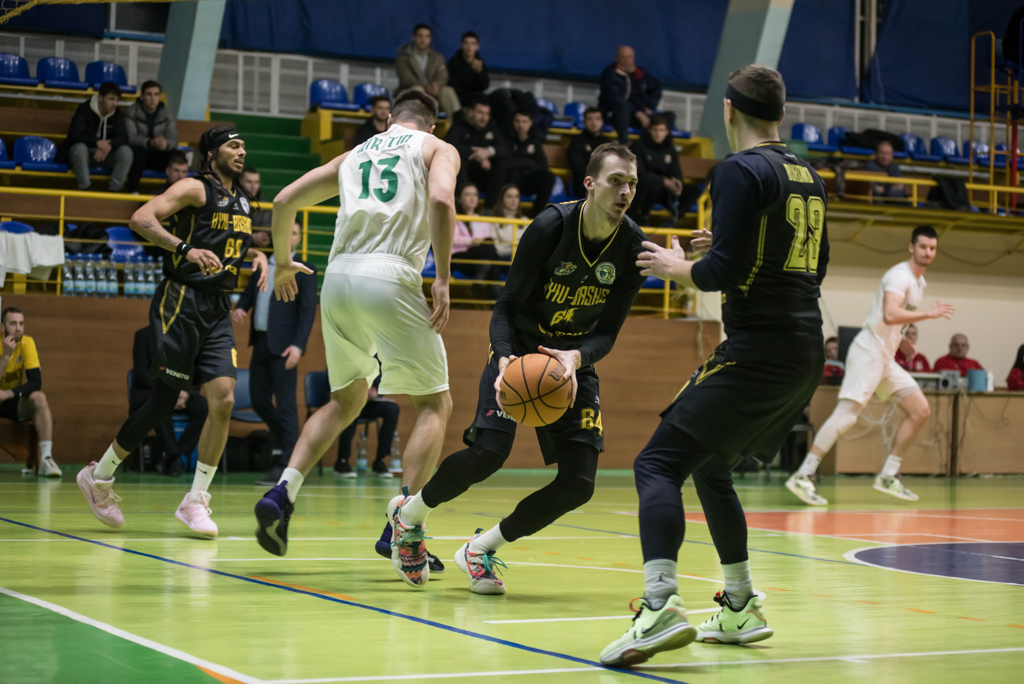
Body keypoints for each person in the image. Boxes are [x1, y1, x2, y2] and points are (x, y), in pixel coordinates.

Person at [600, 65, 828, 666]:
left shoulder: (737, 169)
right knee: (711, 467)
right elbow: (810, 264)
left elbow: (721, 274)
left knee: (656, 464)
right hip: (805, 350)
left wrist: (675, 266)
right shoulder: (807, 174)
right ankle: (740, 606)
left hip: (758, 349)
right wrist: (723, 246)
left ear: (728, 110)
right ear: (780, 113)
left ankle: (657, 606)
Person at [393, 143, 646, 596]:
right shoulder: (551, 226)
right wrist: (505, 355)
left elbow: (608, 331)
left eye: (632, 183)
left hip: (571, 362)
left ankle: (480, 549)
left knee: (579, 484)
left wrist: (577, 358)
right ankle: (409, 517)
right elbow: (506, 306)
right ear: (589, 183)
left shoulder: (631, 245)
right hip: (520, 352)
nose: (625, 191)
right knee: (489, 454)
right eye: (616, 181)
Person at [253, 91, 460, 587]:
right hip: (390, 274)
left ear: (389, 119)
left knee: (345, 399)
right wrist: (442, 277)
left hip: (339, 278)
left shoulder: (357, 153)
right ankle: (403, 527)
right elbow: (441, 199)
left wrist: (283, 262)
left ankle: (284, 491)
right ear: (432, 125)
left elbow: (283, 201)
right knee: (435, 404)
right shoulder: (436, 148)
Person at [76, 126, 269, 537]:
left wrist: (258, 254)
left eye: (244, 145)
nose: (242, 151)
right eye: (234, 145)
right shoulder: (194, 188)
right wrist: (184, 249)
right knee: (163, 403)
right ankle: (99, 475)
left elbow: (224, 241)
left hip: (218, 307)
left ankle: (196, 499)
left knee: (223, 398)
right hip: (181, 301)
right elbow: (140, 218)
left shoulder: (243, 199)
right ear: (212, 153)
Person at [787, 226, 954, 507]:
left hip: (885, 358)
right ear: (911, 247)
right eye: (923, 247)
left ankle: (889, 474)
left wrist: (902, 341)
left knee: (920, 410)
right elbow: (890, 314)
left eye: (932, 248)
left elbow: (892, 319)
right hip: (868, 352)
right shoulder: (900, 275)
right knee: (847, 415)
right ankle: (804, 474)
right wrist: (929, 314)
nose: (928, 252)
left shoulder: (919, 283)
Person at [232, 221, 317, 486]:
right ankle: (292, 442)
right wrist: (242, 307)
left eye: (294, 233)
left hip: (285, 347)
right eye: (285, 231)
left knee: (286, 405)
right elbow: (250, 292)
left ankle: (286, 466)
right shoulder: (263, 262)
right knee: (258, 400)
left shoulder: (304, 269)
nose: (289, 236)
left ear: (298, 239)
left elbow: (307, 311)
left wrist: (298, 346)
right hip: (260, 342)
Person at [130, 324, 208, 477]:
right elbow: (141, 373)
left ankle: (177, 456)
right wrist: (169, 391)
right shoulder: (144, 335)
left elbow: (195, 370)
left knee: (203, 408)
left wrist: (186, 391)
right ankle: (175, 457)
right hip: (150, 392)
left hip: (181, 391)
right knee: (160, 405)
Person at [0, 307, 60, 477]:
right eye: (13, 323)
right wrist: (6, 355)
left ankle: (46, 460)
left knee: (39, 398)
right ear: (2, 327)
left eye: (21, 323)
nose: (18, 328)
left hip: (9, 399)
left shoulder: (27, 343)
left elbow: (35, 382)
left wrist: (8, 393)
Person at [59, 82, 133, 192]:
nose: (115, 104)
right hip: (86, 154)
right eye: (111, 99)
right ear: (100, 98)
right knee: (79, 149)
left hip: (106, 154)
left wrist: (109, 145)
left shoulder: (117, 113)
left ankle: (114, 191)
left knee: (126, 152)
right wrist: (97, 142)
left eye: (117, 100)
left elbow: (123, 137)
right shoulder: (84, 109)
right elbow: (74, 135)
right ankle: (85, 189)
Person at [334, 366, 400, 478]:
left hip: (369, 403)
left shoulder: (377, 357)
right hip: (350, 399)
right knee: (352, 411)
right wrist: (360, 391)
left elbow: (381, 378)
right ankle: (342, 460)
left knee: (392, 409)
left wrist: (375, 391)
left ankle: (380, 460)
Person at [598, 46, 673, 144]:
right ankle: (624, 143)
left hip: (640, 118)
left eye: (630, 57)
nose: (627, 61)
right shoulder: (610, 74)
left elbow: (656, 88)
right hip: (615, 116)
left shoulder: (641, 73)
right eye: (623, 57)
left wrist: (650, 106)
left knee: (669, 116)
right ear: (617, 58)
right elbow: (615, 98)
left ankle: (664, 146)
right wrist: (637, 113)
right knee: (622, 106)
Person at [446, 95, 508, 201]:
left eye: (487, 114)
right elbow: (449, 146)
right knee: (459, 160)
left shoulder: (492, 127)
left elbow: (506, 148)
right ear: (471, 112)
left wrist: (488, 152)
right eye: (480, 113)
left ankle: (489, 207)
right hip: (464, 173)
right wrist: (475, 153)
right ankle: (461, 204)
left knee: (502, 164)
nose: (484, 118)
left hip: (483, 173)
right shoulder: (460, 124)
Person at [395, 24, 460, 120]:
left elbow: (442, 76)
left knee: (448, 91)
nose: (423, 39)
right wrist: (426, 87)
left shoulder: (437, 57)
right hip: (411, 93)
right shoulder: (403, 57)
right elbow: (406, 79)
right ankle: (416, 124)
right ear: (413, 37)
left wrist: (436, 85)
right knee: (417, 90)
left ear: (430, 39)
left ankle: (458, 124)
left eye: (426, 36)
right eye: (420, 36)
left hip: (434, 94)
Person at [125, 80, 178, 193]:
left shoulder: (167, 114)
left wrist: (166, 144)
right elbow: (130, 138)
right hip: (139, 155)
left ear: (159, 97)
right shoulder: (131, 112)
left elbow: (173, 140)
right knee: (138, 154)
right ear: (142, 97)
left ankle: (176, 191)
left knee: (177, 156)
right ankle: (133, 192)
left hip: (159, 154)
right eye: (149, 94)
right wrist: (150, 142)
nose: (153, 98)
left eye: (156, 94)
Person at [629, 114, 683, 226]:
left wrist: (677, 182)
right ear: (649, 130)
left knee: (694, 191)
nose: (658, 134)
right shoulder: (638, 146)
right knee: (652, 183)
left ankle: (673, 219)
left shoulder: (670, 150)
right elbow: (638, 174)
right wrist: (663, 181)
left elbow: (676, 172)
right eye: (655, 130)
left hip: (663, 192)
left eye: (661, 130)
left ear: (667, 132)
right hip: (641, 189)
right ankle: (643, 217)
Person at [504, 109, 555, 217]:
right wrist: (529, 162)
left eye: (524, 121)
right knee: (513, 173)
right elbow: (506, 162)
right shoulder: (506, 138)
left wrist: (524, 169)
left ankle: (536, 216)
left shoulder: (534, 141)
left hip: (527, 180)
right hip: (508, 181)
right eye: (518, 121)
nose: (521, 125)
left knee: (549, 177)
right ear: (513, 122)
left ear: (530, 123)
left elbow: (542, 164)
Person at [451, 182, 501, 292]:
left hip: (478, 261)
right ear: (459, 199)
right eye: (468, 194)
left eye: (475, 194)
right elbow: (450, 241)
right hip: (457, 258)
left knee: (489, 250)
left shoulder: (482, 220)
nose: (472, 198)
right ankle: (497, 296)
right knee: (491, 254)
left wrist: (481, 242)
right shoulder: (451, 218)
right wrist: (472, 242)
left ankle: (480, 278)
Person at [568, 107, 607, 198]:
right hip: (585, 184)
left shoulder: (607, 143)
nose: (594, 123)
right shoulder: (577, 141)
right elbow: (578, 167)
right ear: (584, 122)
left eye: (597, 119)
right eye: (590, 119)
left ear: (602, 122)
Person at [447, 31, 490, 108]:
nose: (469, 47)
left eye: (472, 44)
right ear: (461, 45)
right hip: (458, 98)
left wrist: (479, 72)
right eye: (466, 43)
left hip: (476, 98)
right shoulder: (454, 62)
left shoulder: (480, 62)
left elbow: (484, 86)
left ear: (477, 46)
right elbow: (454, 86)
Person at [490, 183, 523, 264]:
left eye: (516, 196)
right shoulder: (493, 221)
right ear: (502, 199)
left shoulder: (525, 220)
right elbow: (496, 248)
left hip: (522, 257)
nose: (513, 200)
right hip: (503, 259)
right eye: (509, 196)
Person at [240, 166, 273, 245]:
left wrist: (263, 236)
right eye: (249, 182)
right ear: (240, 182)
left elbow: (267, 225)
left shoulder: (264, 202)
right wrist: (251, 237)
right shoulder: (233, 199)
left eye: (256, 182)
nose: (253, 186)